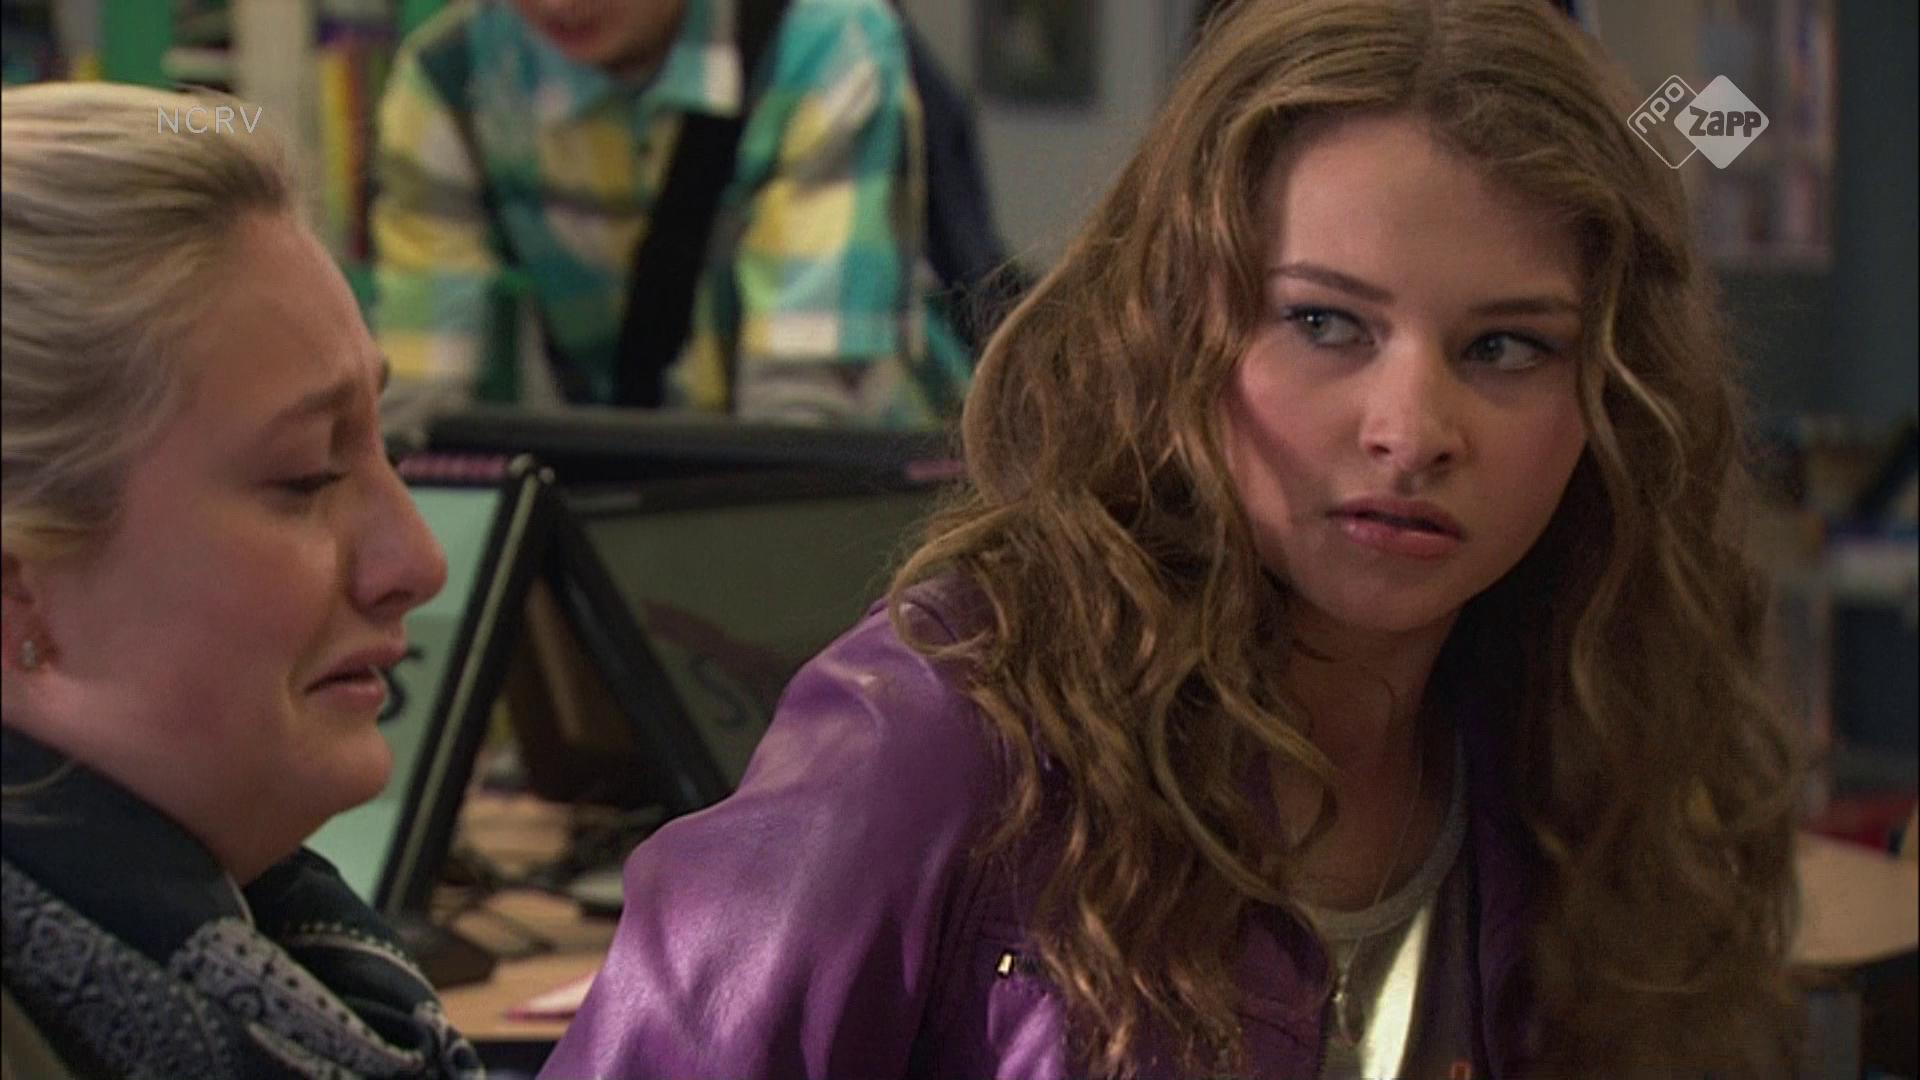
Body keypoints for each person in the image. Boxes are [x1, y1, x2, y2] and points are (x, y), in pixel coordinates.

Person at [541, 0, 1805, 1077]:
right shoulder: (944, 730)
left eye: (1507, 347)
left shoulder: (1589, 744)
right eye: (1325, 323)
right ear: (1176, 331)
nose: (1412, 432)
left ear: (1612, 396)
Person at [1, 82, 482, 1080]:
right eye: (306, 477)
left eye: (385, 451)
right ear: (17, 586)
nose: (417, 561)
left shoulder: (275, 950)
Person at [371, 0, 970, 430]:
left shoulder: (827, 41)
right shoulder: (453, 76)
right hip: (639, 494)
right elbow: (416, 405)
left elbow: (804, 413)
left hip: (865, 507)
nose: (559, 5)